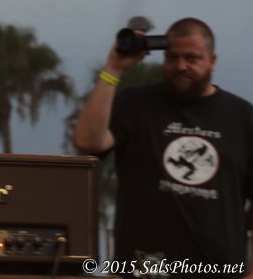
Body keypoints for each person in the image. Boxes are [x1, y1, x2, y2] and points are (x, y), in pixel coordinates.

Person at [73, 18, 253, 278]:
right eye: (172, 58)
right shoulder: (135, 104)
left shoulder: (242, 117)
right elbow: (88, 141)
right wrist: (113, 68)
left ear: (212, 61)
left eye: (192, 58)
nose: (181, 66)